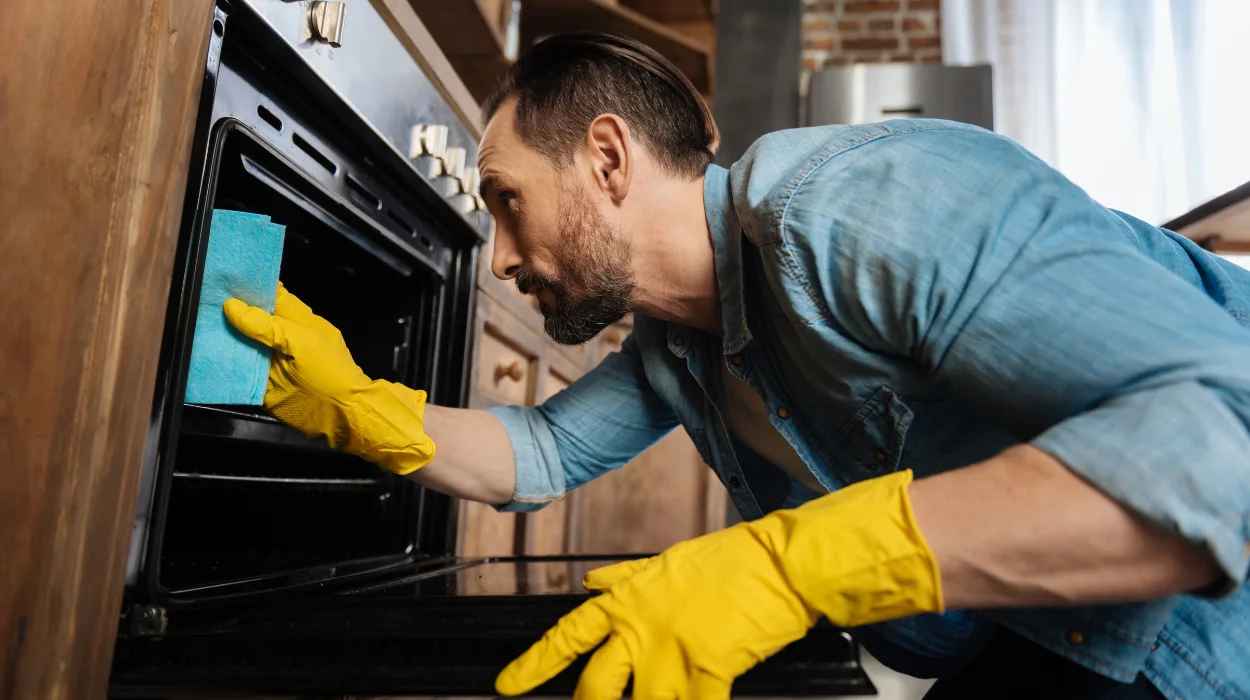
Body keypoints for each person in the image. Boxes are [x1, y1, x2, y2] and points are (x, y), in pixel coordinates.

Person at [222, 32, 1249, 700]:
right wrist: (357, 406)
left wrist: (791, 564)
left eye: (504, 200)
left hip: (1195, 634)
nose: (494, 255)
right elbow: (533, 449)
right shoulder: (677, 344)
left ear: (608, 160)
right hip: (1018, 640)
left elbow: (1212, 455)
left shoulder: (853, 207)